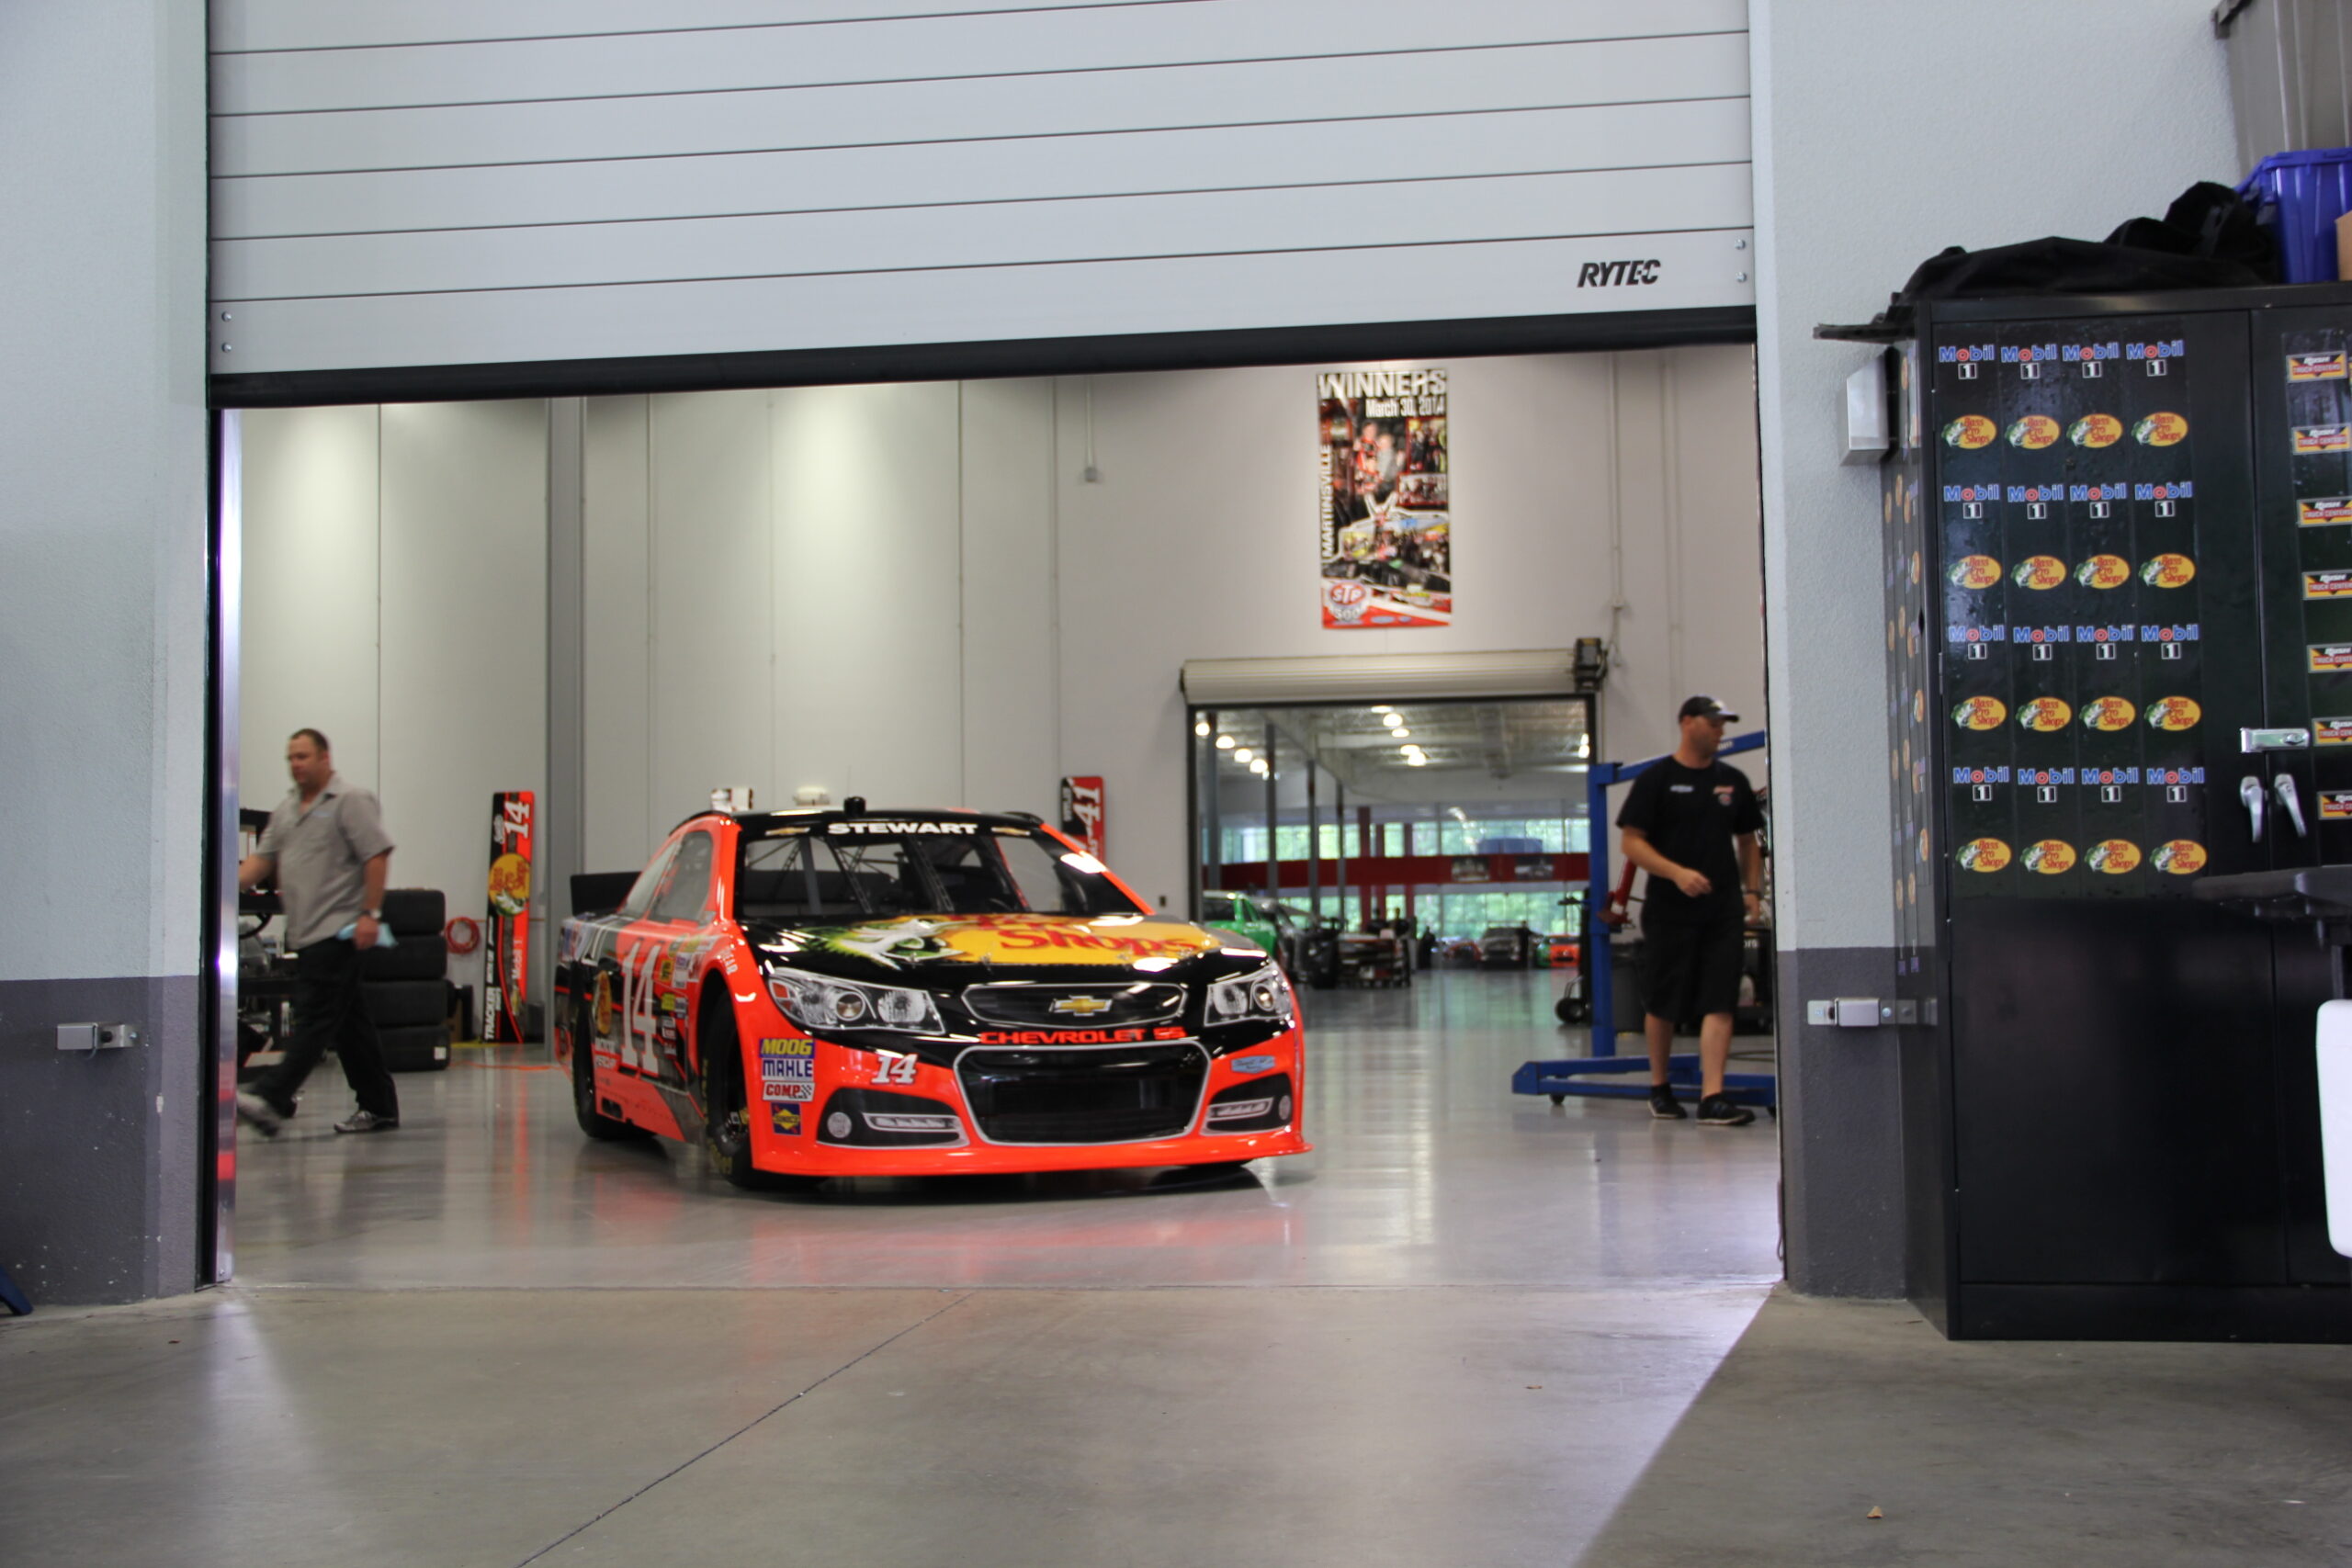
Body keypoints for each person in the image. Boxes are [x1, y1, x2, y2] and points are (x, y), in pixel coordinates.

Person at [234, 728, 401, 1136]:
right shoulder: (288, 809)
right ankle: (379, 1107)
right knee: (350, 1025)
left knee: (315, 1018)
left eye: (303, 756)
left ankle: (272, 1096)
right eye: (291, 757)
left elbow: (376, 855)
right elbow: (260, 861)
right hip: (307, 935)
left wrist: (370, 914)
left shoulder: (350, 801)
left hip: (340, 930)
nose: (296, 765)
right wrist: (215, 890)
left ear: (325, 758)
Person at [1615, 695, 1765, 1127]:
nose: (1720, 730)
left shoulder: (1732, 780)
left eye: (1724, 724)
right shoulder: (1657, 780)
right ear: (1687, 723)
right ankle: (1659, 1088)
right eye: (1713, 722)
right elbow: (1632, 842)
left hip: (1722, 911)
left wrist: (1751, 890)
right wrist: (1676, 873)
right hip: (1669, 910)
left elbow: (1748, 841)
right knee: (1664, 1001)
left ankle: (1712, 1096)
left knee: (1721, 999)